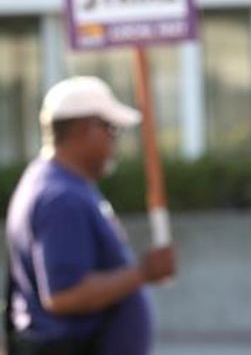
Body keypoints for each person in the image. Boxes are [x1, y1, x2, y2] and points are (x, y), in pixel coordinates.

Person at [5, 76, 176, 355]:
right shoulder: (60, 197)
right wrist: (143, 273)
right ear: (87, 129)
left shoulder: (62, 183)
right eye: (112, 130)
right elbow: (63, 295)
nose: (115, 142)